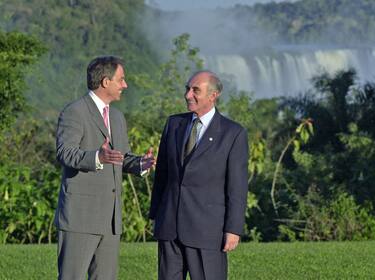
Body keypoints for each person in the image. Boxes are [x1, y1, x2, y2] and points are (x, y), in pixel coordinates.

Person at [54, 55, 154, 280]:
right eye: (121, 79)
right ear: (105, 81)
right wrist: (97, 156)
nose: (125, 85)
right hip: (80, 217)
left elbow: (119, 157)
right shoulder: (75, 112)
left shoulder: (117, 117)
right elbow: (65, 153)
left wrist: (139, 163)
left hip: (110, 220)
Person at [149, 70, 249, 280]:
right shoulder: (174, 124)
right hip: (169, 229)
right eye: (187, 89)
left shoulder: (233, 133)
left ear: (213, 96)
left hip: (208, 232)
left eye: (195, 90)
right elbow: (163, 175)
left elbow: (237, 186)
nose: (187, 95)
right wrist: (157, 215)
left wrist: (233, 228)